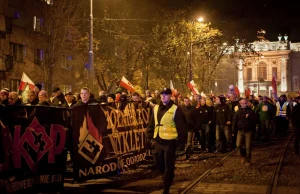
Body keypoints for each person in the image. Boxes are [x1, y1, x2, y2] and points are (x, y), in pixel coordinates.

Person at [147, 88, 187, 194]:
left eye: (166, 94)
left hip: (170, 142)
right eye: (162, 94)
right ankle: (166, 175)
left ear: (170, 96)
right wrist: (149, 135)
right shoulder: (156, 108)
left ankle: (166, 186)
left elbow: (181, 127)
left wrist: (181, 142)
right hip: (158, 140)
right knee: (158, 161)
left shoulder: (175, 109)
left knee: (168, 164)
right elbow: (152, 123)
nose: (163, 96)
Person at [232, 99, 257, 166]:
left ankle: (248, 160)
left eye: (244, 103)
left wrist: (249, 117)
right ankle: (243, 155)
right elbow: (234, 121)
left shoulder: (250, 111)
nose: (243, 105)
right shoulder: (238, 111)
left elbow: (255, 120)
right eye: (242, 103)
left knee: (248, 147)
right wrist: (233, 131)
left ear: (247, 104)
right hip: (240, 131)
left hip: (248, 132)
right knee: (238, 145)